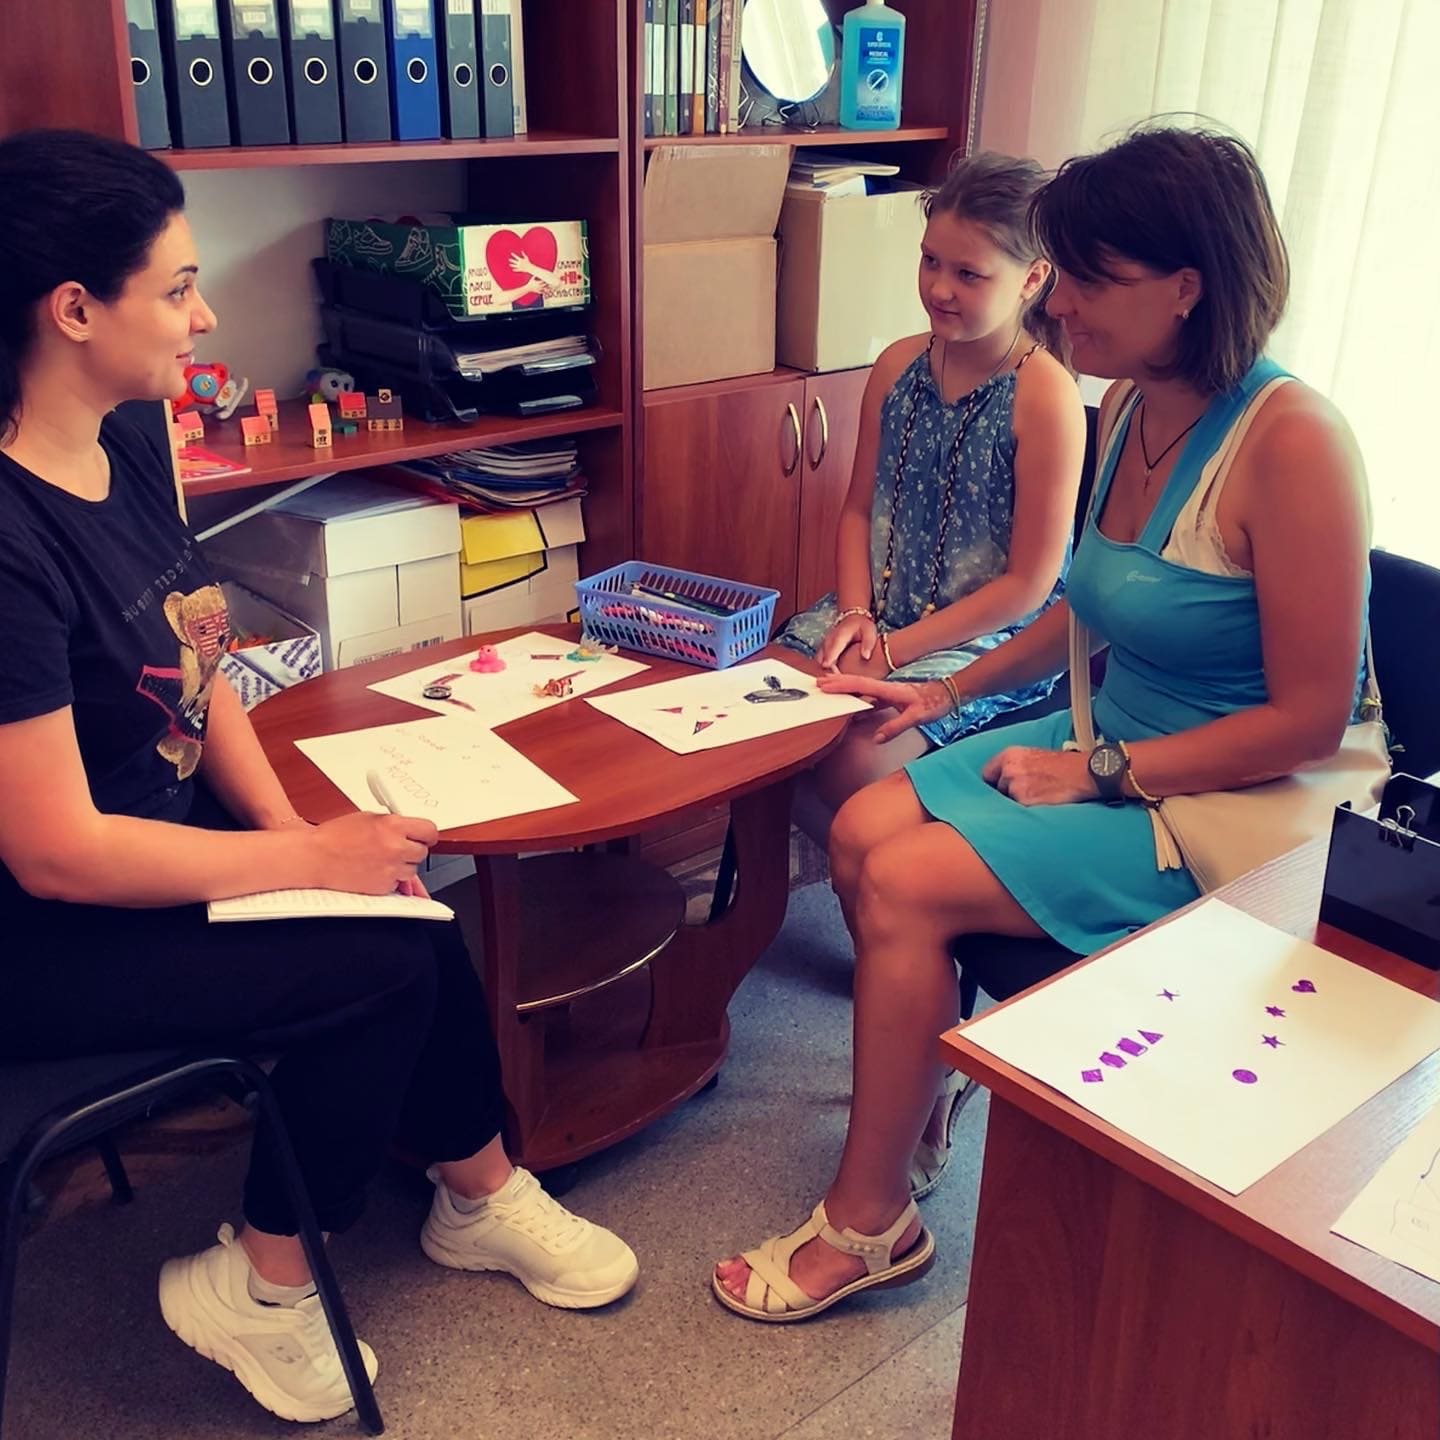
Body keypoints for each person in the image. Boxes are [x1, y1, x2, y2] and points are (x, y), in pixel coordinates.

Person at [0, 129, 638, 1423]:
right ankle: (264, 1283)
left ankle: (477, 1191)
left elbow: (202, 665)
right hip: (46, 930)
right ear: (73, 310)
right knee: (381, 961)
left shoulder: (128, 439)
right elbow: (55, 852)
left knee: (395, 893)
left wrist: (307, 840)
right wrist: (298, 862)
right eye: (178, 287)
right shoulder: (8, 537)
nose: (206, 315)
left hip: (155, 842)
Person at [713, 124, 1380, 1321]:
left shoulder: (1295, 442)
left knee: (902, 878)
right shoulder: (1131, 403)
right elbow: (1080, 604)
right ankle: (920, 1109)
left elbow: (1312, 721)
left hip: (1233, 805)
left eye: (1085, 278)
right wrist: (943, 692)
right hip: (1114, 740)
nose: (1056, 301)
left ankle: (870, 1224)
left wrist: (1100, 771)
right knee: (860, 826)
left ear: (1186, 287)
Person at [777, 151, 1086, 841]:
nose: (940, 288)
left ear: (1032, 278)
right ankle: (769, 894)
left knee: (853, 763)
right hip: (878, 613)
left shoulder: (1046, 396)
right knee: (763, 713)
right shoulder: (897, 364)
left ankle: (879, 887)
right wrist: (856, 614)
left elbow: (1029, 586)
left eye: (969, 274)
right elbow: (858, 509)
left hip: (986, 638)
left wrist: (894, 651)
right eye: (930, 262)